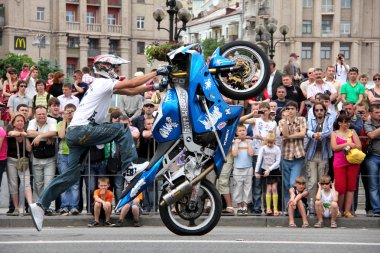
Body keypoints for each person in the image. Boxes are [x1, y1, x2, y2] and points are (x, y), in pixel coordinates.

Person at [30, 54, 171, 231]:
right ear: (107, 68)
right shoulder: (103, 83)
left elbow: (132, 91)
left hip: (75, 134)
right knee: (122, 129)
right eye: (116, 68)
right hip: (83, 130)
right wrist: (156, 72)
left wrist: (156, 85)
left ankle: (40, 204)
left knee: (71, 176)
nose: (118, 71)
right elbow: (131, 84)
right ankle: (130, 167)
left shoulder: (101, 85)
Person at [240, 102, 277, 215]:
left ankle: (267, 208)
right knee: (256, 182)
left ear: (269, 110)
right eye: (262, 109)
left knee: (268, 183)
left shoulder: (273, 123)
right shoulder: (256, 120)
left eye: (266, 109)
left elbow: (273, 138)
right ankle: (256, 208)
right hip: (256, 154)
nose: (264, 111)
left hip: (268, 155)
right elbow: (241, 121)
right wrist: (252, 113)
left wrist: (261, 138)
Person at [331, 112, 362, 218]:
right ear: (339, 123)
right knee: (340, 187)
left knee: (351, 187)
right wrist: (347, 144)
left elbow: (359, 146)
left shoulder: (353, 132)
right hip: (339, 162)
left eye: (348, 122)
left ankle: (347, 210)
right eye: (345, 122)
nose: (347, 124)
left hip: (352, 162)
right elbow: (334, 147)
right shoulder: (334, 133)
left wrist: (352, 146)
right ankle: (339, 210)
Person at [305, 102, 334, 213]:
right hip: (312, 154)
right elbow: (307, 131)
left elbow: (330, 131)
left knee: (323, 182)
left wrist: (319, 135)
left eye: (321, 110)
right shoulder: (311, 120)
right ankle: (312, 207)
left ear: (324, 110)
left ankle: (324, 208)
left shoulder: (328, 118)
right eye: (316, 110)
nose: (319, 112)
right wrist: (313, 135)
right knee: (312, 182)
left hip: (324, 154)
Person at [279, 101, 306, 207]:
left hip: (298, 156)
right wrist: (285, 120)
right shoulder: (281, 121)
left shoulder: (302, 119)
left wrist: (289, 136)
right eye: (288, 109)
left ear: (296, 109)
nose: (290, 111)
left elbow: (303, 134)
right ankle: (288, 207)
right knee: (286, 184)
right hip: (286, 155)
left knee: (293, 183)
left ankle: (294, 205)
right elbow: (284, 133)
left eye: (292, 109)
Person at [7, 114, 33, 216]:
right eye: (18, 121)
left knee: (26, 183)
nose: (20, 122)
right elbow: (11, 132)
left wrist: (24, 136)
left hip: (23, 161)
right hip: (12, 160)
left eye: (22, 121)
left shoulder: (25, 134)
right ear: (13, 123)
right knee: (13, 184)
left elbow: (29, 149)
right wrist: (19, 133)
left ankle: (31, 206)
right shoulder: (10, 132)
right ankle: (16, 208)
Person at [57, 104, 79, 215]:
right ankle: (64, 206)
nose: (69, 113)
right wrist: (65, 120)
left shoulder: (78, 123)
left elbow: (75, 137)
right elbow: (61, 136)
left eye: (72, 111)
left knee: (74, 182)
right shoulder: (61, 123)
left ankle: (74, 206)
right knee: (64, 181)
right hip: (63, 154)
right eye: (67, 111)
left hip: (75, 154)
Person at [254, 131, 281, 216]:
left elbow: (278, 161)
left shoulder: (277, 149)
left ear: (274, 142)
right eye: (268, 142)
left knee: (274, 188)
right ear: (266, 142)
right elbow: (259, 160)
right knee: (268, 189)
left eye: (271, 143)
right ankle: (268, 208)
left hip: (274, 170)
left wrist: (270, 169)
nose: (269, 144)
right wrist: (256, 171)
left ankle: (275, 208)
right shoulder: (263, 148)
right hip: (265, 170)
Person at [232, 124, 254, 215]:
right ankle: (239, 207)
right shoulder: (235, 142)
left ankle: (245, 206)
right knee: (238, 188)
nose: (242, 132)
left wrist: (249, 144)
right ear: (237, 133)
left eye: (243, 130)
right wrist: (236, 144)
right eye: (240, 131)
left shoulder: (249, 142)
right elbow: (234, 154)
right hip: (237, 168)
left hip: (248, 167)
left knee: (247, 188)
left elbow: (251, 154)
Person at [364, 104, 380, 217]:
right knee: (373, 184)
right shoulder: (367, 124)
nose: (379, 114)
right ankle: (377, 210)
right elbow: (372, 135)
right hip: (372, 157)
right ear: (370, 113)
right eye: (376, 112)